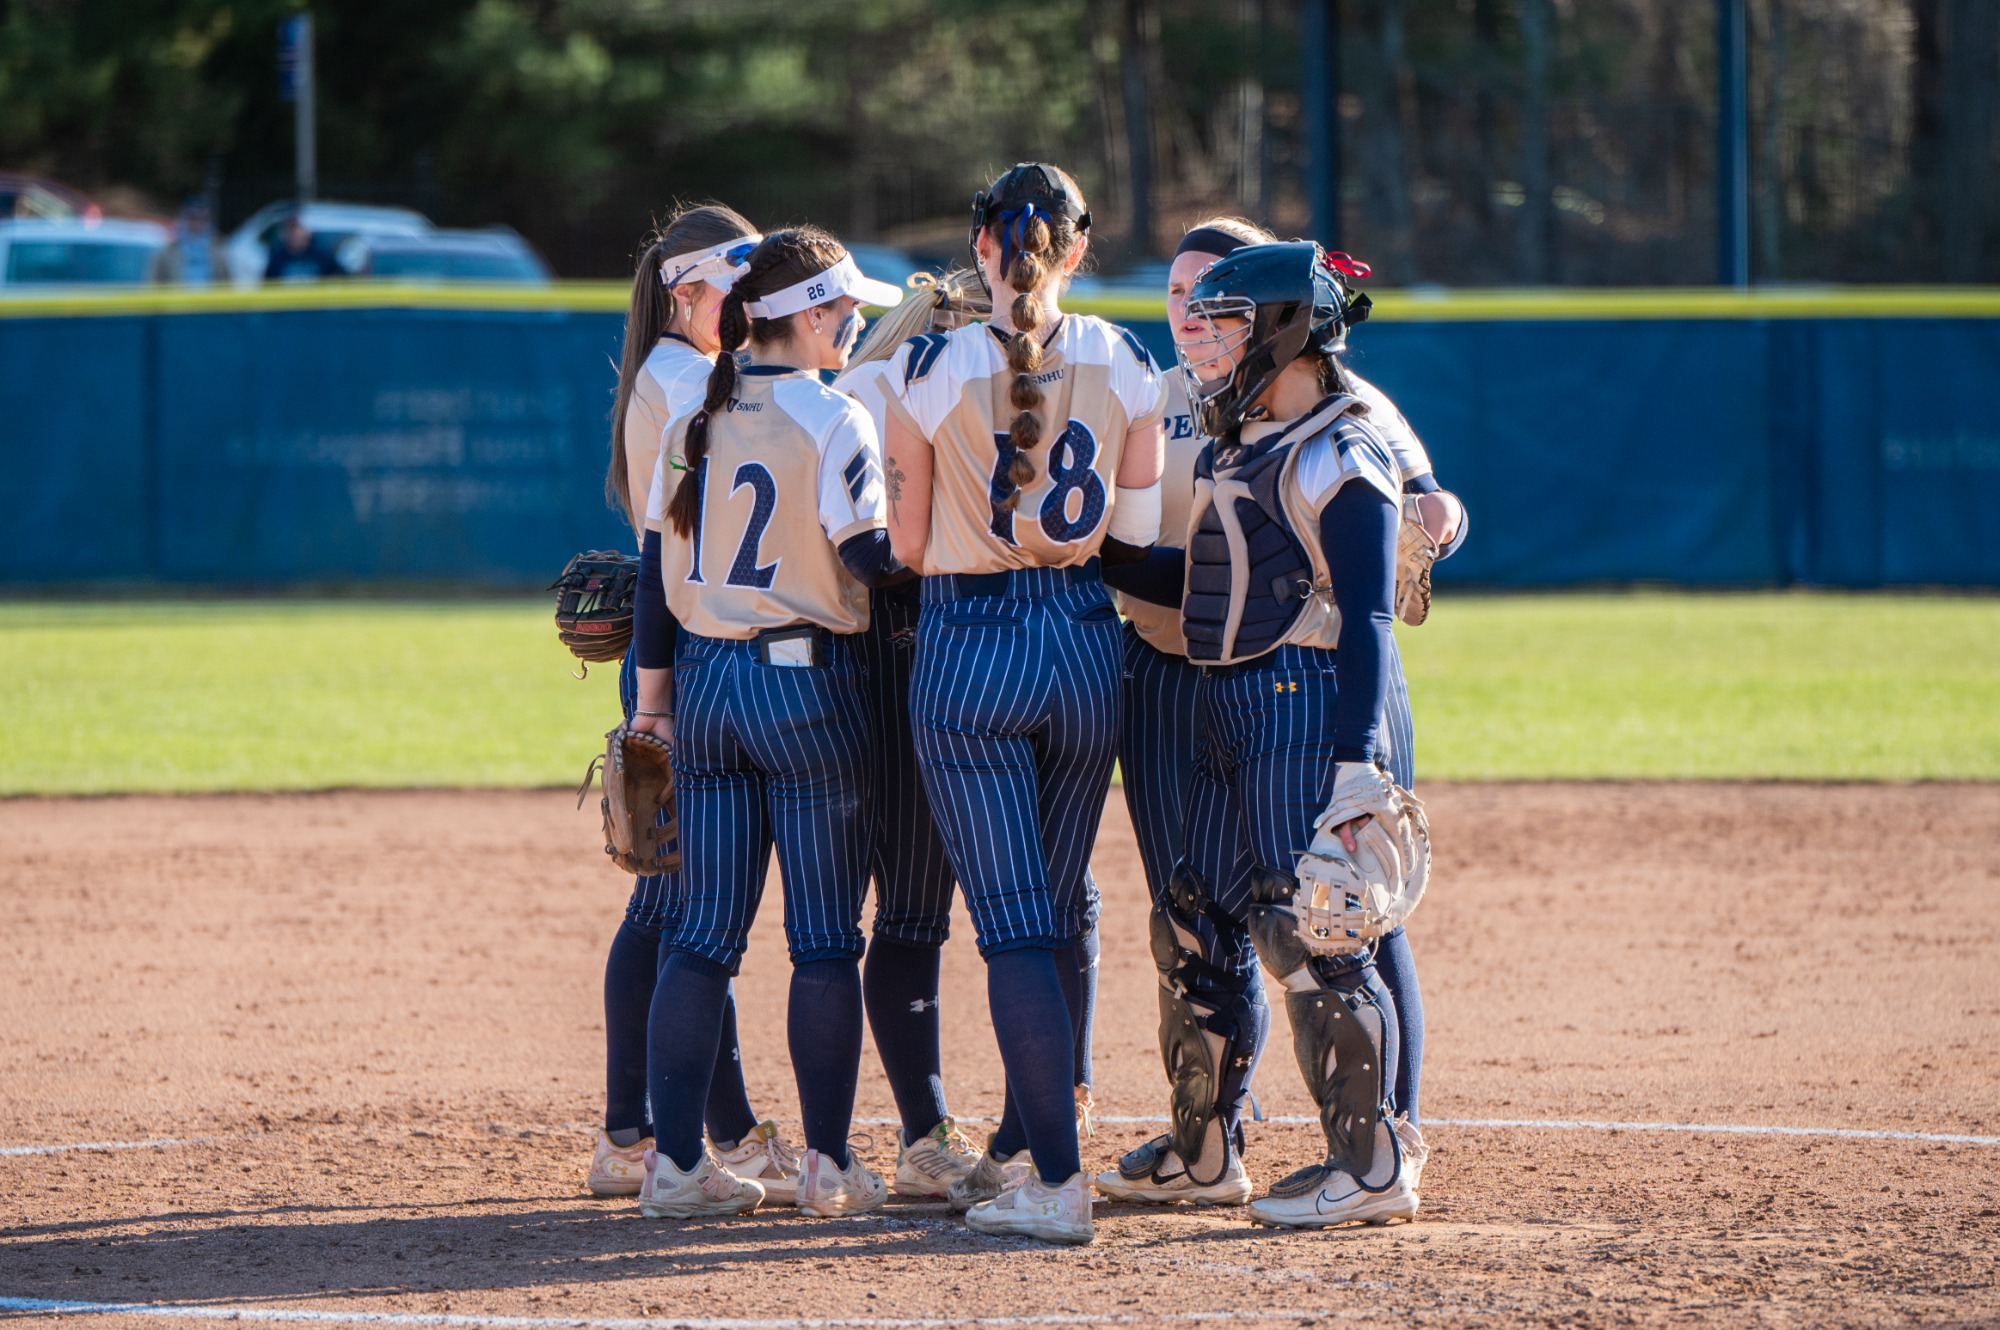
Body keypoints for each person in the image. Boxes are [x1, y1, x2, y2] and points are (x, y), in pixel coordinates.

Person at [1098, 219, 1465, 1208]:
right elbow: (1206, 578)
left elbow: (1367, 620)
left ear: (1287, 327)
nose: (1201, 336)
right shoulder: (1247, 437)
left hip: (1299, 702)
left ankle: (1372, 1164)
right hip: (1221, 700)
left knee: (1312, 929)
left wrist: (1354, 766)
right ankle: (1204, 1152)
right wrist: (1090, 545)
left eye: (1225, 320)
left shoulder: (1340, 449)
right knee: (1191, 918)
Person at [879, 163, 1166, 1244]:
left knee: (1006, 932)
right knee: (1053, 912)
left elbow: (904, 548)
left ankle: (1051, 1177)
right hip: (1087, 642)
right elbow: (1133, 541)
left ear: (982, 249)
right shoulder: (1129, 357)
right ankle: (1038, 1137)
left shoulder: (924, 364)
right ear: (1076, 249)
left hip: (968, 642)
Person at [629, 227, 912, 1219]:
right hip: (803, 687)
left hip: (705, 687)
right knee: (824, 942)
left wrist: (651, 707)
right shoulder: (835, 415)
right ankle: (826, 1164)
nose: (855, 323)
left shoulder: (691, 410)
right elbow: (870, 558)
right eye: (843, 310)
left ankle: (673, 1165)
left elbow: (655, 582)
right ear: (804, 314)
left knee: (699, 938)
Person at [585, 205, 804, 1205]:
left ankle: (675, 1129)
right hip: (690, 654)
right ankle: (646, 1135)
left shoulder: (682, 372)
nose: (755, 307)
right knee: (678, 908)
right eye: (739, 287)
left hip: (683, 650)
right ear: (688, 291)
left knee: (678, 907)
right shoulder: (684, 378)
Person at [830, 272, 992, 1198]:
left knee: (896, 916)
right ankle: (933, 1136)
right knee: (924, 913)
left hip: (864, 667)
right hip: (906, 661)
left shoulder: (856, 393)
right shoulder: (914, 390)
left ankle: (926, 1134)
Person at [148, 198, 225, 286]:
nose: (197, 224)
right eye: (193, 218)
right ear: (182, 219)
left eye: (203, 219)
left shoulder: (219, 255)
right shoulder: (164, 255)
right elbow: (152, 287)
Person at [263, 213, 343, 282]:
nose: (294, 234)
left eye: (297, 229)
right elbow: (268, 283)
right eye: (290, 230)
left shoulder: (322, 255)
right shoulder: (277, 259)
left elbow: (339, 276)